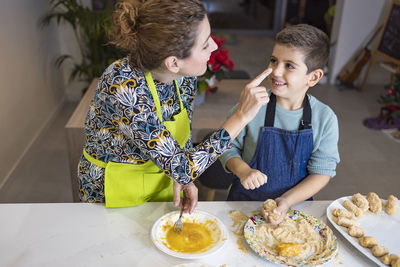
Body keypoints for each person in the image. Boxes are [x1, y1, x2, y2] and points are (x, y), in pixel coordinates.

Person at [77, 0, 272, 213]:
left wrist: (185, 177)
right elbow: (182, 168)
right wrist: (241, 117)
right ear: (173, 62)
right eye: (205, 44)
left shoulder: (183, 76)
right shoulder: (124, 88)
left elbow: (181, 134)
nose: (215, 47)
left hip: (162, 175)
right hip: (114, 186)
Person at [219, 24, 340, 224]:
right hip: (243, 206)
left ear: (314, 77)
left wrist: (286, 201)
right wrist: (243, 170)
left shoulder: (325, 118)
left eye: (289, 65)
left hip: (295, 209)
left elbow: (322, 173)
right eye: (274, 61)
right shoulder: (251, 106)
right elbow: (224, 146)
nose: (276, 71)